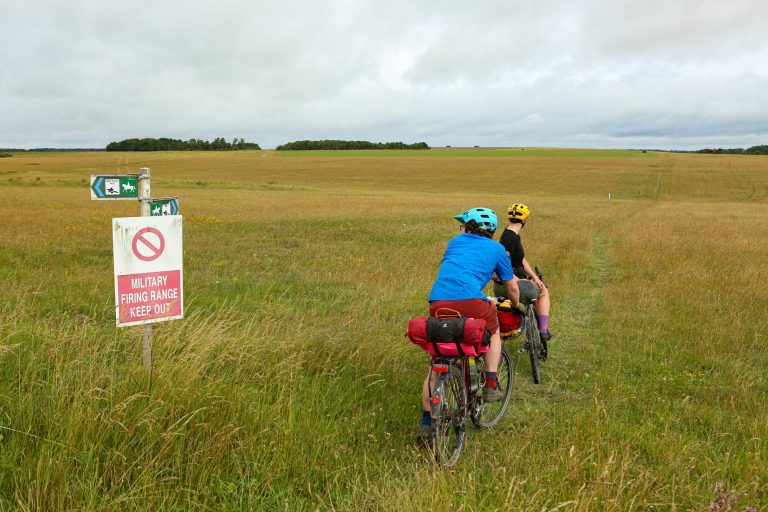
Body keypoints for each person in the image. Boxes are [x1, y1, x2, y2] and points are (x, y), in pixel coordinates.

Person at [418, 207, 520, 443]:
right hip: (472, 302)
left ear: (468, 226)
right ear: (492, 230)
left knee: (436, 363)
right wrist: (515, 305)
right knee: (493, 330)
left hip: (438, 302)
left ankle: (426, 424)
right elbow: (512, 286)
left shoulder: (454, 242)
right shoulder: (496, 249)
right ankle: (491, 381)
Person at [492, 203, 553, 353]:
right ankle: (544, 330)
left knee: (538, 285)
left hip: (502, 285)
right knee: (543, 292)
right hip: (513, 286)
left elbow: (521, 260)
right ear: (525, 220)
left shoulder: (510, 235)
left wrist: (534, 277)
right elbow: (502, 262)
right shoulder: (509, 238)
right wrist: (516, 280)